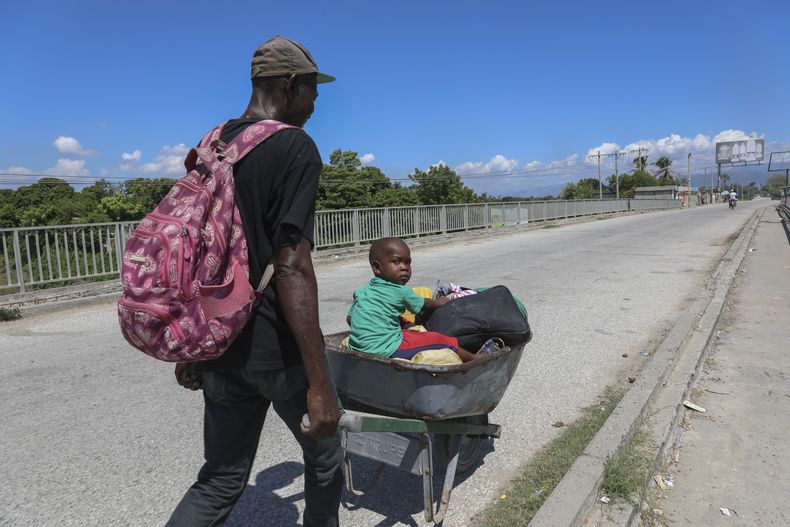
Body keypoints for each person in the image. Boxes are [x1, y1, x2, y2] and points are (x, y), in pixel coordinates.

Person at [167, 36, 343, 527]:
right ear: (290, 86)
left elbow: (195, 252)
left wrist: (191, 347)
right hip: (274, 347)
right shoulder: (294, 146)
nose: (313, 105)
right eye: (311, 92)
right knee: (326, 458)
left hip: (218, 343)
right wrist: (319, 381)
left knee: (221, 478)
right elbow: (291, 264)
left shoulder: (214, 143)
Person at [347, 237, 489, 362]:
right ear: (377, 267)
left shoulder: (362, 292)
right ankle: (475, 358)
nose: (404, 268)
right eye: (397, 262)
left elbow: (350, 319)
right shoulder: (400, 291)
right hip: (386, 349)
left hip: (358, 347)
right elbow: (425, 304)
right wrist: (440, 302)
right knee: (438, 339)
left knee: (404, 324)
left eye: (408, 262)